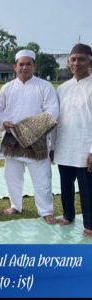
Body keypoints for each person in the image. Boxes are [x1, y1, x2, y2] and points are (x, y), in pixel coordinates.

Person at [0, 49, 59, 224]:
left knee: (42, 177)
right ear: (15, 67)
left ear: (34, 66)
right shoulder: (7, 87)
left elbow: (53, 110)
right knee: (12, 175)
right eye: (21, 64)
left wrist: (31, 128)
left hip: (37, 138)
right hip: (12, 137)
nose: (24, 67)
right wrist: (4, 122)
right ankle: (15, 205)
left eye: (28, 64)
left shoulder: (44, 86)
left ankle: (46, 211)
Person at [51, 43, 92, 237]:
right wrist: (52, 146)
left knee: (88, 190)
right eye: (73, 59)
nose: (77, 63)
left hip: (86, 148)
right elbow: (55, 120)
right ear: (68, 62)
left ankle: (90, 225)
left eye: (81, 59)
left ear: (89, 61)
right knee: (65, 185)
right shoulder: (62, 89)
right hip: (64, 146)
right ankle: (68, 215)